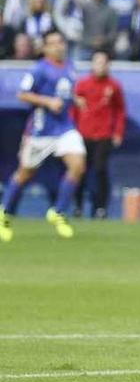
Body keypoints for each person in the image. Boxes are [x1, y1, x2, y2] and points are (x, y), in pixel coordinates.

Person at [0, 31, 86, 243]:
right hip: (41, 131)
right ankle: (5, 214)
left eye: (61, 42)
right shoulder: (39, 69)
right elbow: (22, 94)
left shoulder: (69, 67)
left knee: (78, 164)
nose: (59, 46)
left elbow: (65, 92)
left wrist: (75, 100)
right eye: (53, 43)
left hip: (64, 128)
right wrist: (47, 102)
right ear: (45, 48)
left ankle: (57, 212)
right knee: (25, 174)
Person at [71, 51, 127, 219]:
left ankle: (101, 208)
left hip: (103, 135)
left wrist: (118, 132)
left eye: (104, 62)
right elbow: (73, 110)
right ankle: (78, 206)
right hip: (83, 134)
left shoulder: (113, 86)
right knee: (79, 170)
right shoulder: (82, 85)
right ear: (92, 64)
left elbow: (120, 110)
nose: (101, 66)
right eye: (98, 62)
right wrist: (71, 131)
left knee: (100, 170)